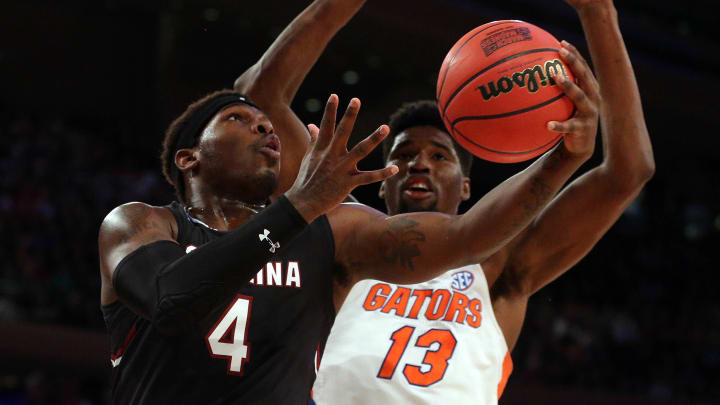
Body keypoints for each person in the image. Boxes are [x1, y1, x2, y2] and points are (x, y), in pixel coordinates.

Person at [98, 3, 594, 405]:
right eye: (236, 119)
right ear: (188, 157)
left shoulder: (329, 235)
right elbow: (169, 300)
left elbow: (468, 238)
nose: (266, 127)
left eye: (267, 124)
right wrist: (297, 207)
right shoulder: (139, 223)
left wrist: (562, 159)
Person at [309, 0, 655, 403]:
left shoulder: (499, 267)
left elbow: (628, 172)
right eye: (402, 156)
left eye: (440, 156)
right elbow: (264, 95)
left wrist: (599, 15)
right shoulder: (341, 245)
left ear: (467, 187)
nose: (419, 163)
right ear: (382, 186)